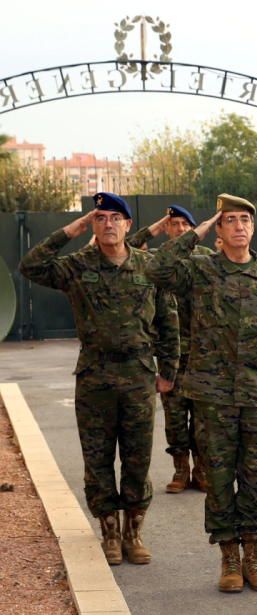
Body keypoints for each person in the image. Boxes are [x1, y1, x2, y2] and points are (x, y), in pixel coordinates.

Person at [19, 192, 179, 566]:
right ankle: (109, 532)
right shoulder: (78, 265)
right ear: (93, 225)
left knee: (137, 459)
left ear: (127, 225)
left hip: (139, 376)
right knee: (98, 459)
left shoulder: (148, 266)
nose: (108, 224)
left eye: (115, 218)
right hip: (95, 377)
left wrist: (168, 372)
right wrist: (71, 229)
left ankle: (133, 532)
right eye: (100, 218)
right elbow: (31, 266)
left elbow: (167, 322)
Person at [147, 194, 257, 593]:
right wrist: (197, 231)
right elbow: (157, 269)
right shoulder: (200, 270)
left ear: (253, 227)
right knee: (217, 478)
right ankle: (228, 557)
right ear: (219, 228)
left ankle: (254, 556)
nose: (239, 226)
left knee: (256, 479)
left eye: (245, 219)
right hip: (212, 396)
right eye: (229, 220)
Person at [128, 205, 214, 494]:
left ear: (192, 230)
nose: (179, 229)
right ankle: (180, 470)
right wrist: (153, 226)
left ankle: (202, 471)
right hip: (171, 357)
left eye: (184, 224)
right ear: (166, 229)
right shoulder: (156, 261)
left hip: (202, 356)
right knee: (175, 418)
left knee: (203, 420)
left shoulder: (207, 261)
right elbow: (127, 246)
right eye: (173, 224)